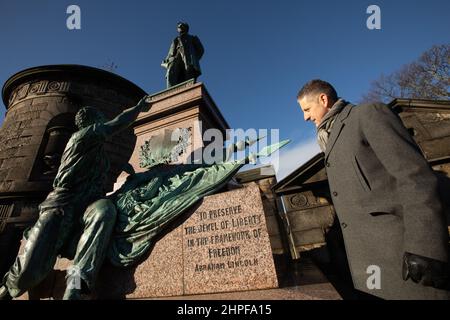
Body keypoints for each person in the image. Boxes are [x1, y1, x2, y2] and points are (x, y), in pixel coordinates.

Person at [296, 79, 449, 299]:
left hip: (401, 254)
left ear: (323, 99)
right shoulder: (329, 138)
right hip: (367, 268)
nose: (306, 117)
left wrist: (425, 248)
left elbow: (415, 177)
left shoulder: (368, 114)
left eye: (307, 109)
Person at [0, 97, 151, 300]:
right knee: (31, 269)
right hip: (63, 205)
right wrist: (138, 108)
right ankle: (6, 290)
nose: (102, 122)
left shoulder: (97, 153)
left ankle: (75, 286)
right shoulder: (83, 136)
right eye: (100, 119)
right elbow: (117, 123)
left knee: (104, 211)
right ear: (91, 121)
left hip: (87, 205)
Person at [162, 22, 204, 88]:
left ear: (186, 28)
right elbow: (171, 53)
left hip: (189, 61)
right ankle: (171, 92)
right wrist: (167, 60)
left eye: (181, 26)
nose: (179, 28)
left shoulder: (193, 38)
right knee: (171, 73)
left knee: (189, 78)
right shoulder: (176, 39)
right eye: (178, 27)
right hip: (176, 59)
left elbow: (201, 50)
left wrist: (194, 59)